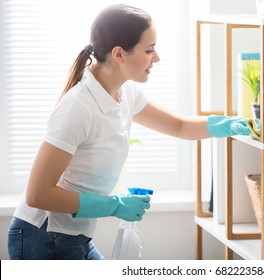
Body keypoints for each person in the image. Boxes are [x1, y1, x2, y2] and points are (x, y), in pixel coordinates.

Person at [7, 4, 250, 260]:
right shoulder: (78, 108)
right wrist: (114, 205)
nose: (156, 58)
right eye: (149, 50)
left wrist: (227, 125)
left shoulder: (126, 94)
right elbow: (37, 194)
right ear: (119, 54)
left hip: (70, 235)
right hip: (42, 235)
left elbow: (178, 126)